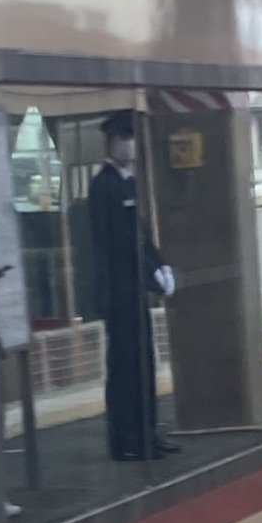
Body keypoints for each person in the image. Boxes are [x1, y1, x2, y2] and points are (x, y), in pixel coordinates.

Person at [84, 111, 176, 463]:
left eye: (130, 136)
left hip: (133, 289)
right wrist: (153, 273)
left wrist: (160, 263)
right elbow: (123, 242)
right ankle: (124, 439)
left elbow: (140, 234)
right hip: (118, 292)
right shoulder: (103, 185)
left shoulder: (127, 183)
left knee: (143, 362)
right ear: (110, 142)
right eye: (123, 137)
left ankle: (147, 433)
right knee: (124, 366)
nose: (128, 143)